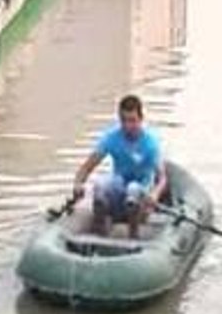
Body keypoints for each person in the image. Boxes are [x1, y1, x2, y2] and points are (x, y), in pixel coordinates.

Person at [72, 94, 167, 239]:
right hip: (120, 188)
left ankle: (133, 236)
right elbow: (87, 167)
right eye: (124, 121)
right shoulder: (112, 137)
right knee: (100, 185)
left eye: (132, 121)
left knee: (133, 189)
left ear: (141, 119)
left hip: (140, 193)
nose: (128, 126)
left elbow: (162, 178)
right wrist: (78, 183)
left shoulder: (150, 143)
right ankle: (100, 233)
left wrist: (155, 194)